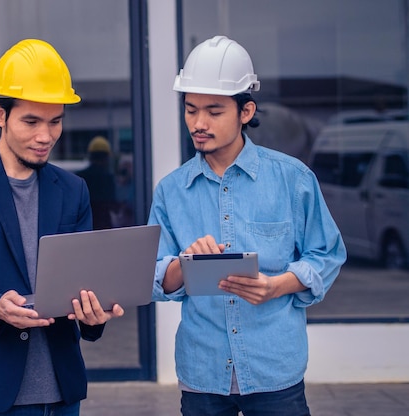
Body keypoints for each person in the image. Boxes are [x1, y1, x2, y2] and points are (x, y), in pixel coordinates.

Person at [0, 38, 124, 416]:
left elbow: (82, 283)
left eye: (56, 121)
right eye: (31, 121)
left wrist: (94, 316)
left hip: (61, 394)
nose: (45, 136)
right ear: (0, 114)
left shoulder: (74, 189)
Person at [148, 35, 346, 415]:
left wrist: (276, 286)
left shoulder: (293, 179)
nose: (199, 123)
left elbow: (328, 254)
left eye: (214, 111)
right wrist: (183, 264)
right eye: (190, 110)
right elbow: (153, 277)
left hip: (275, 370)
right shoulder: (171, 191)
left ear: (245, 110)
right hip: (202, 372)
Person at [75, 136, 117, 229]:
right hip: (104, 225)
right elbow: (112, 204)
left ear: (90, 156)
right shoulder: (107, 178)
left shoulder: (79, 177)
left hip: (83, 224)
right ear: (106, 158)